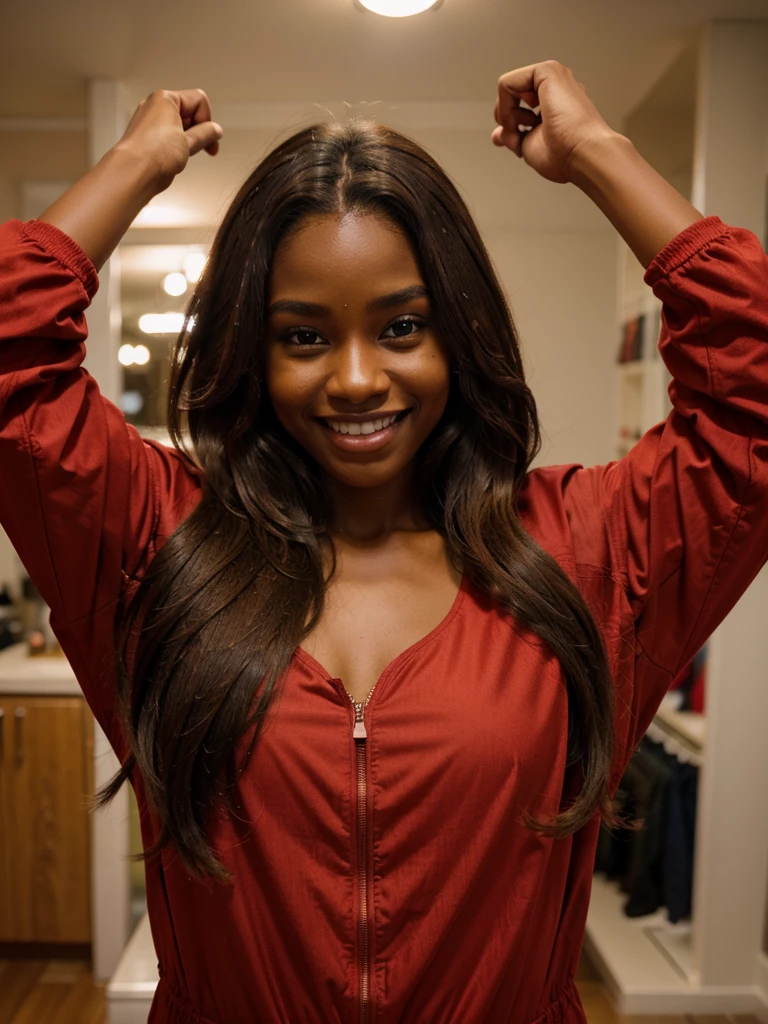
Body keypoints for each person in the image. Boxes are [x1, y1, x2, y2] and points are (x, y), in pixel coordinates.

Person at [0, 59, 766, 1024]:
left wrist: (600, 156)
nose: (357, 379)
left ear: (462, 332)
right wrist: (130, 164)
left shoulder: (584, 554)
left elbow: (755, 401)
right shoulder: (158, 543)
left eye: (402, 325)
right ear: (253, 349)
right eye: (304, 336)